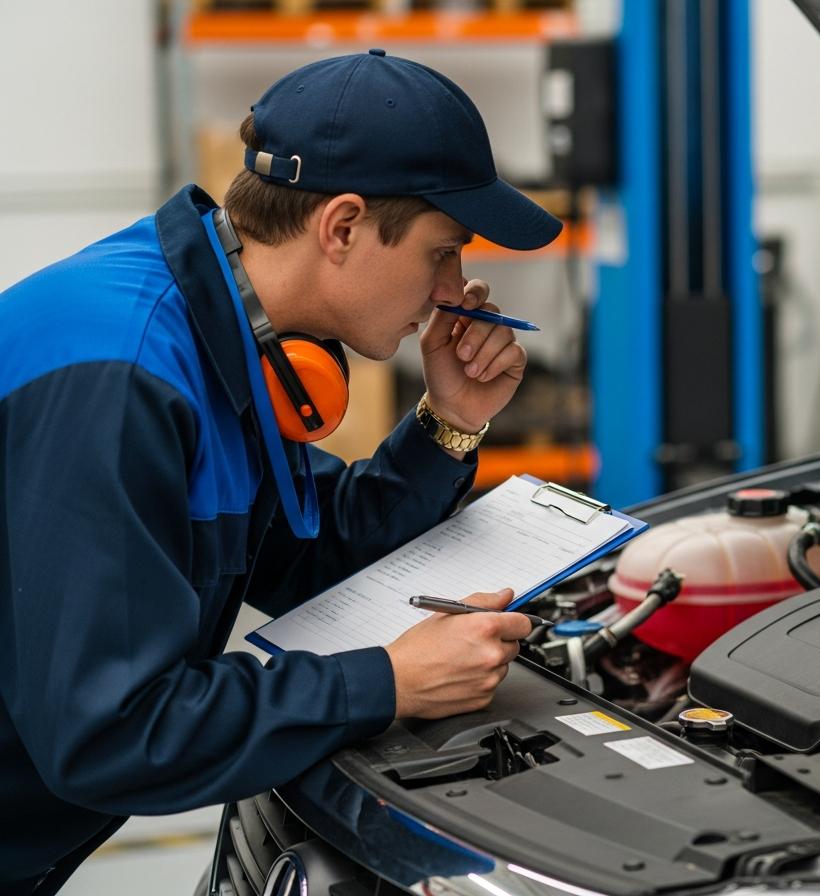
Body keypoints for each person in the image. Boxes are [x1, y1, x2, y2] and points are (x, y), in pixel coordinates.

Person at [0, 50, 561, 893]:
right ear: (340, 227)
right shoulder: (126, 379)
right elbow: (111, 733)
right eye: (441, 252)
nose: (455, 290)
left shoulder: (212, 329)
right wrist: (388, 681)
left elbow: (309, 551)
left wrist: (449, 423)